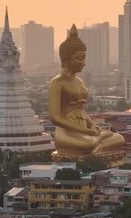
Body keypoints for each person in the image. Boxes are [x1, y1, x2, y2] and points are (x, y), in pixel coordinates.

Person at [49, 25, 124, 156]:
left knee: (119, 139)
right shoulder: (57, 82)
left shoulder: (79, 81)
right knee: (88, 145)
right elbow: (55, 117)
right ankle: (97, 141)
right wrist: (84, 131)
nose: (83, 63)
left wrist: (93, 126)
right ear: (66, 59)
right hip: (66, 133)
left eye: (83, 58)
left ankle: (97, 140)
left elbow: (81, 111)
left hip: (85, 131)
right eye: (79, 58)